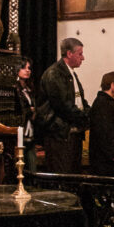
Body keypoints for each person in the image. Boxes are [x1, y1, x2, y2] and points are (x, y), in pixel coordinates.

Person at [36, 37, 90, 173]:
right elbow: (63, 106)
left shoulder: (71, 74)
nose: (83, 58)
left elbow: (80, 101)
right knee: (62, 176)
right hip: (59, 136)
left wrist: (90, 114)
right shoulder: (54, 74)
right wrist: (85, 118)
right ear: (69, 54)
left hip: (72, 135)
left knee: (73, 176)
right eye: (80, 53)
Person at [15, 55, 38, 174]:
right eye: (24, 68)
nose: (27, 70)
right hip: (20, 131)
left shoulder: (28, 89)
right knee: (20, 166)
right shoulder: (15, 88)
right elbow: (19, 109)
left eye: (29, 68)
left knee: (32, 166)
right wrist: (31, 110)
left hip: (30, 131)